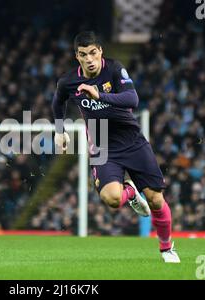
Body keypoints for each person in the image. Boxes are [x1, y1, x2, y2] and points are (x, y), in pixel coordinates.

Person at [52, 31, 180, 263]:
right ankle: (129, 192)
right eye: (83, 55)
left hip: (132, 141)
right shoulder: (69, 81)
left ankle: (166, 248)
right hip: (102, 145)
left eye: (93, 53)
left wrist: (98, 94)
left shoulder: (114, 69)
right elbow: (57, 101)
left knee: (156, 200)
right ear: (77, 57)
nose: (89, 59)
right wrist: (60, 132)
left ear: (100, 51)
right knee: (112, 199)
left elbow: (132, 99)